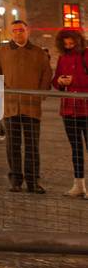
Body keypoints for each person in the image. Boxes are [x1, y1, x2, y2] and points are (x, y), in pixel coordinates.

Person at [0, 20, 53, 193]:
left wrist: (40, 94)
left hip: (31, 107)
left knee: (32, 146)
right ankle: (15, 180)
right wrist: (2, 90)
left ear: (28, 31)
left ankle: (33, 181)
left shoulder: (38, 53)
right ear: (11, 33)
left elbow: (46, 74)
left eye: (21, 30)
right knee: (13, 145)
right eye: (15, 31)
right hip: (11, 106)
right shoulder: (2, 51)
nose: (18, 33)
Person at [51, 27, 88, 197]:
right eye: (66, 44)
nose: (69, 46)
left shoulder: (86, 55)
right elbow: (55, 80)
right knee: (76, 149)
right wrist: (59, 81)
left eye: (71, 43)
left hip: (85, 108)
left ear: (78, 41)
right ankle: (79, 184)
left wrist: (74, 80)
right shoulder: (62, 58)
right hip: (68, 109)